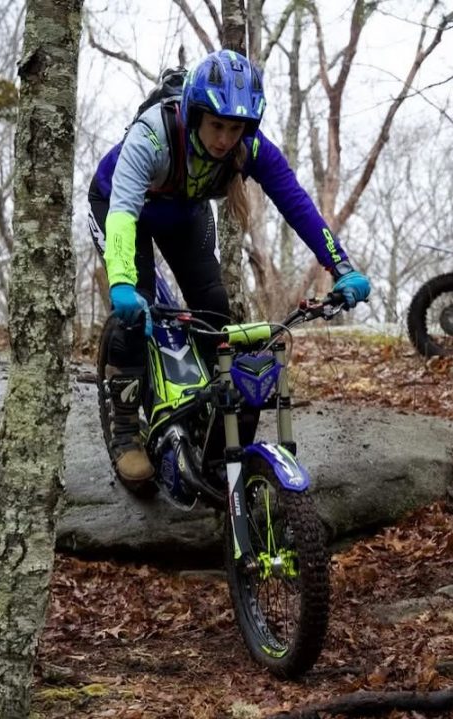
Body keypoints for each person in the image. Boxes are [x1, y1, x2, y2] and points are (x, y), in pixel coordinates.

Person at [88, 49, 371, 490]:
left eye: (234, 127)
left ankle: (205, 422)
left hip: (185, 211)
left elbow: (297, 205)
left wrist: (342, 267)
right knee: (133, 313)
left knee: (215, 310)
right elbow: (123, 211)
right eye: (216, 125)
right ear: (195, 113)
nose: (224, 139)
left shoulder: (250, 148)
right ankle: (126, 429)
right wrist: (122, 283)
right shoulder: (153, 137)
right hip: (122, 206)